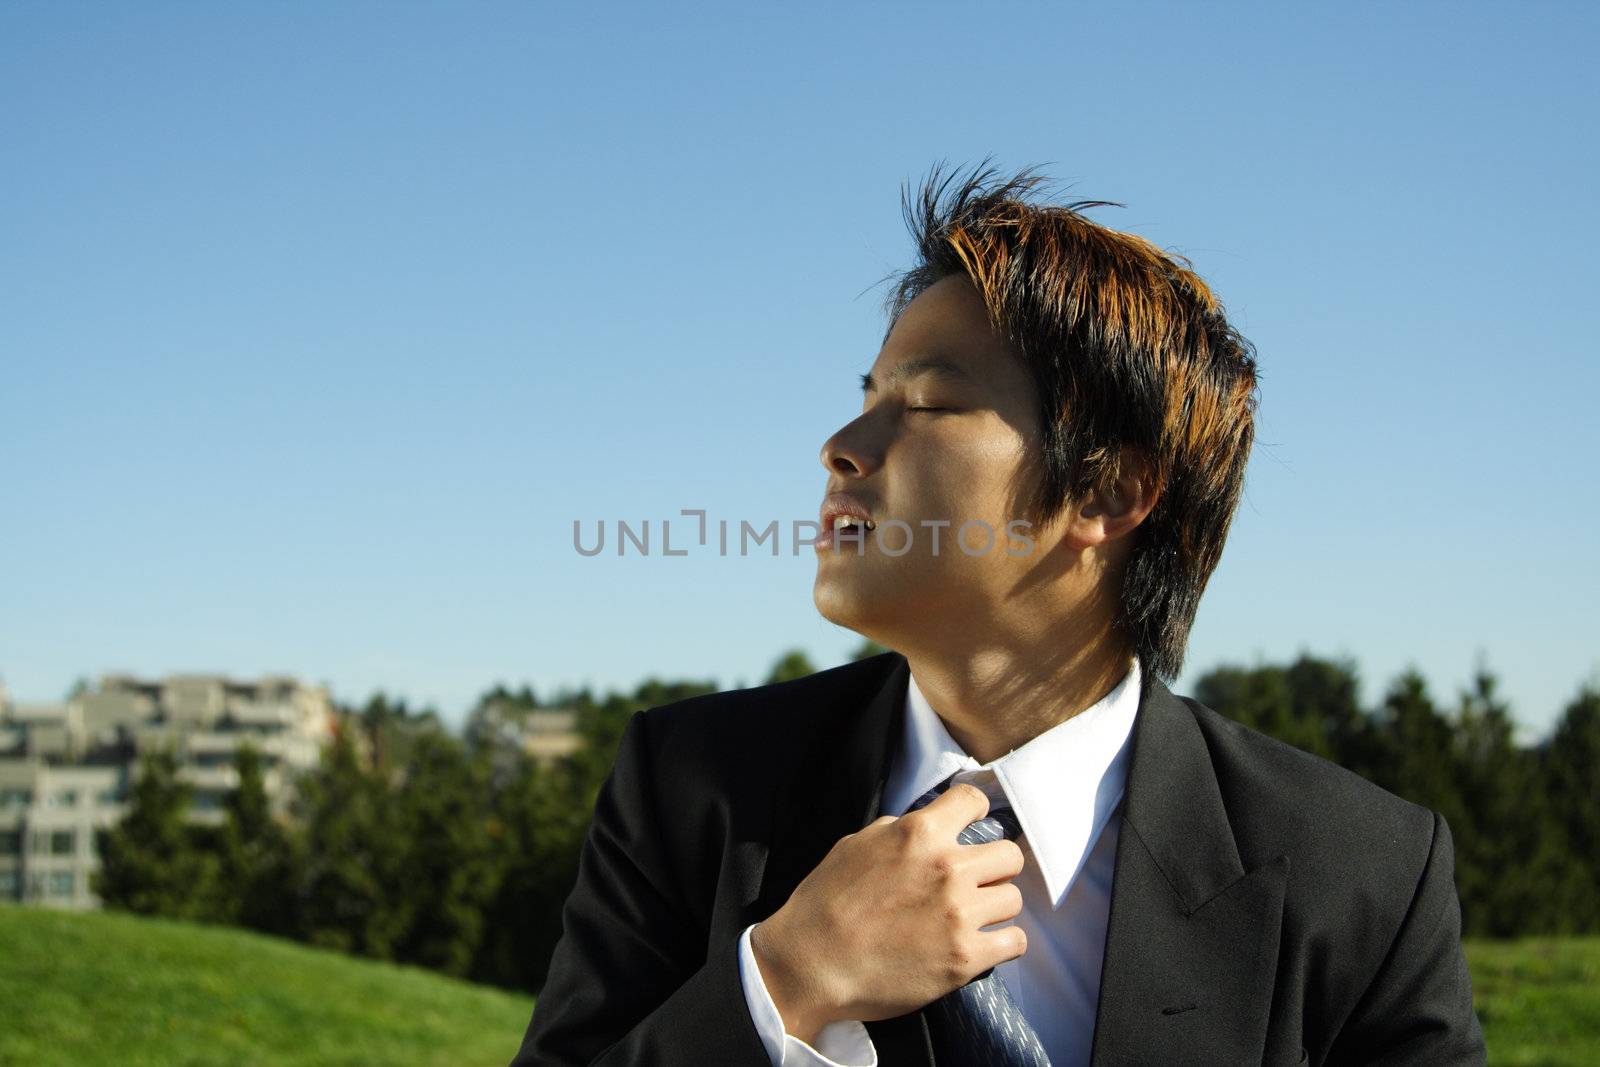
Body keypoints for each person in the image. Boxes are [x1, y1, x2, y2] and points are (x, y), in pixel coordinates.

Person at [510, 163, 1486, 1066]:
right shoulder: (690, 787)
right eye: (865, 396)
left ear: (1108, 490)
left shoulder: (1361, 876)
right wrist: (785, 984)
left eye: (928, 403)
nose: (839, 447)